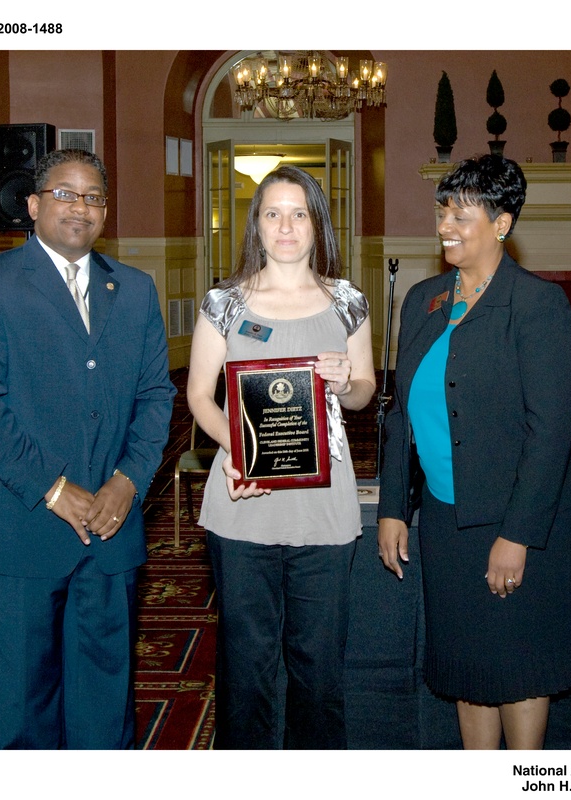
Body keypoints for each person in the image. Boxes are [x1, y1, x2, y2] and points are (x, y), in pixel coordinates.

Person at [0, 149, 176, 749]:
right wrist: (52, 487)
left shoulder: (136, 289)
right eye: (65, 193)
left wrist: (128, 480)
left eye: (94, 197)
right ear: (33, 205)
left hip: (111, 526)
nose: (81, 207)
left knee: (105, 708)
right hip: (22, 528)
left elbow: (156, 395)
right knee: (22, 710)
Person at [377, 154, 571, 749]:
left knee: (519, 667)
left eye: (461, 214)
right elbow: (400, 415)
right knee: (466, 666)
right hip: (446, 520)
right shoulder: (423, 299)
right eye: (442, 211)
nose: (445, 225)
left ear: (501, 223)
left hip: (519, 521)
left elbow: (550, 432)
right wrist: (393, 507)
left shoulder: (536, 304)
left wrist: (516, 535)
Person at [186, 165, 376, 749]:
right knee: (246, 669)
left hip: (324, 508)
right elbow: (199, 396)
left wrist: (345, 382)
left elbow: (365, 391)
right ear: (257, 224)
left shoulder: (348, 302)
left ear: (318, 225)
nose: (286, 226)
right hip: (244, 501)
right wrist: (240, 450)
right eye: (273, 213)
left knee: (319, 670)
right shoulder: (224, 303)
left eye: (299, 213)